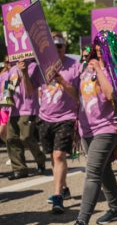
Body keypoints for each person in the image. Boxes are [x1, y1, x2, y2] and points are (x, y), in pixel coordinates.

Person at [74, 43, 117, 225]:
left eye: (99, 50)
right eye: (93, 50)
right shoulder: (84, 70)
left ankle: (81, 220)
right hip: (86, 130)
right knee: (104, 171)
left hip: (106, 128)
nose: (94, 53)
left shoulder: (111, 70)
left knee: (93, 172)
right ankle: (115, 209)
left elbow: (110, 94)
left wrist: (99, 68)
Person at [37, 33, 80, 213]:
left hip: (66, 118)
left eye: (60, 46)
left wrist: (61, 80)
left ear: (65, 47)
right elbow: (31, 89)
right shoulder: (41, 66)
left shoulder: (74, 66)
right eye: (53, 46)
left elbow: (77, 95)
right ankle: (63, 186)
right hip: (45, 117)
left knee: (58, 156)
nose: (57, 49)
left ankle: (57, 196)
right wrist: (23, 72)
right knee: (53, 158)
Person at [6, 58, 46, 180]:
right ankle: (19, 169)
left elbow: (30, 90)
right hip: (14, 110)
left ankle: (40, 159)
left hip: (28, 108)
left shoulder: (34, 66)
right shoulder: (12, 69)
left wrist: (24, 72)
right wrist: (5, 100)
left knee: (26, 137)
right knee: (11, 138)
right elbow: (8, 88)